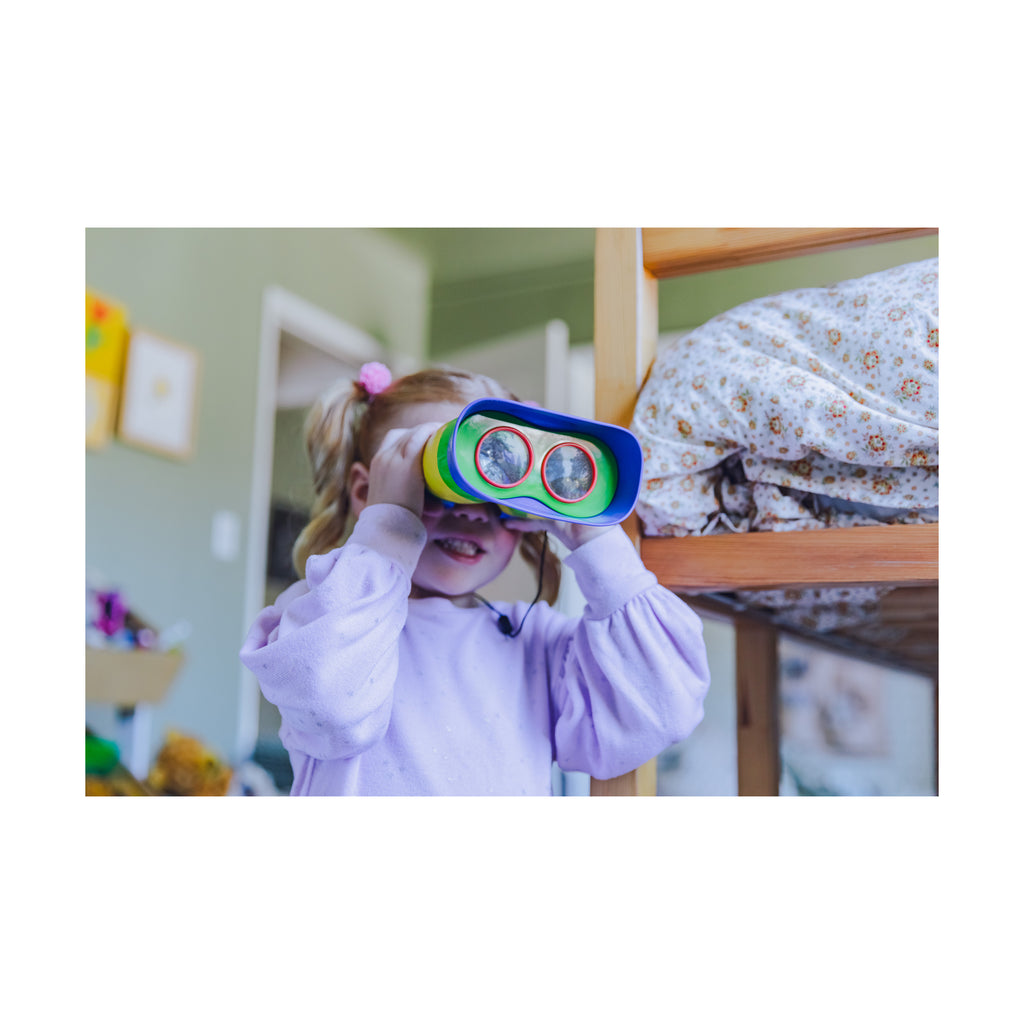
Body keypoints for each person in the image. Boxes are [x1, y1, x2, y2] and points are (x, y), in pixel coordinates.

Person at [240, 362, 710, 795]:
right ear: (368, 491)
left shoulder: (535, 641)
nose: (471, 513)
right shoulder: (327, 617)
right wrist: (389, 528)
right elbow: (330, 707)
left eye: (496, 490)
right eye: (436, 485)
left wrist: (591, 532)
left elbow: (663, 707)